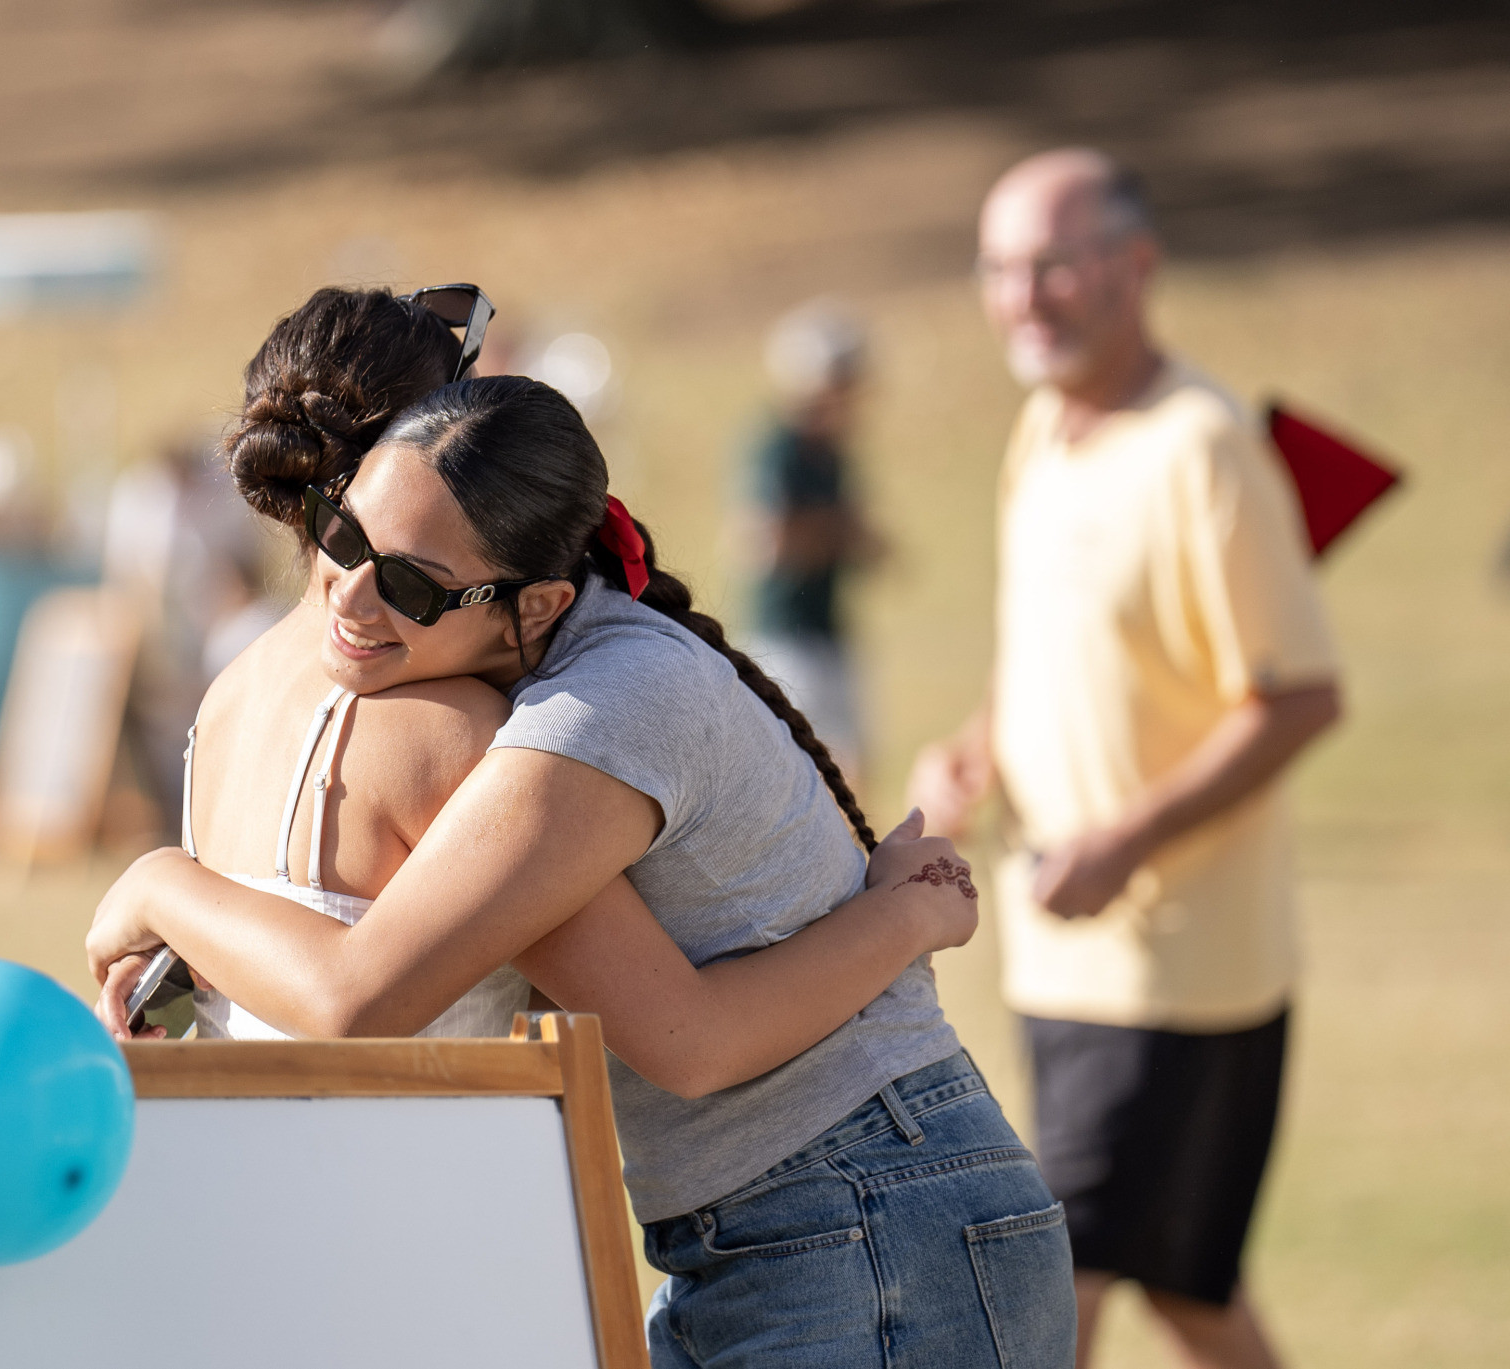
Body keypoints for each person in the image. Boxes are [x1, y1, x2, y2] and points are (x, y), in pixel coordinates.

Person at [89, 291, 1076, 1367]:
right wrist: (175, 956)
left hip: (866, 1204)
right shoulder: (428, 690)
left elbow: (654, 1038)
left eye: (414, 580)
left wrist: (156, 884)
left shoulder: (569, 716)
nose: (356, 597)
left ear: (535, 596)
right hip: (779, 1223)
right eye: (347, 535)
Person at [143, 286, 975, 1070]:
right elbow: (688, 1037)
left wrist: (161, 916)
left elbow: (246, 975)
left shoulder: (230, 690)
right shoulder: (460, 732)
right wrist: (908, 914)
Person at [908, 150, 1343, 1369]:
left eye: (1051, 264)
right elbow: (1043, 648)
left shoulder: (1202, 448)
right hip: (1060, 962)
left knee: (1054, 1289)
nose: (1020, 297)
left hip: (1175, 973)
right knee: (1189, 1291)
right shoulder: (1041, 432)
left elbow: (1298, 698)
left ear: (1135, 264)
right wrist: (974, 752)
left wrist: (1119, 840)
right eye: (998, 268)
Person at [738, 297, 885, 782]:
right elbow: (765, 544)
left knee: (854, 769)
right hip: (786, 637)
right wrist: (837, 531)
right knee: (805, 773)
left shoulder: (832, 454)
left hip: (828, 630)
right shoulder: (779, 450)